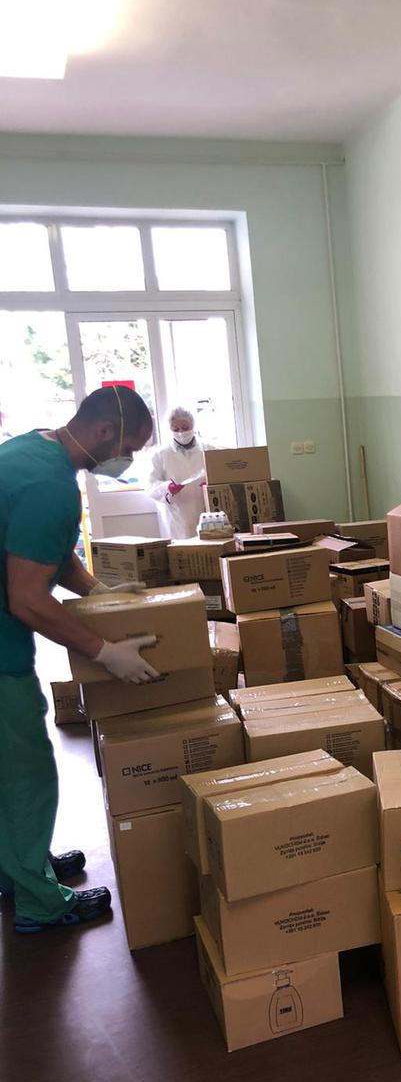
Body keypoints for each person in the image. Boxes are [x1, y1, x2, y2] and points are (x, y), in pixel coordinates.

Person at [0, 384, 159, 935]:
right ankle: (40, 902)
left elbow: (45, 548)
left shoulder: (33, 449)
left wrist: (95, 592)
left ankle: (18, 867)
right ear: (104, 432)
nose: (127, 460)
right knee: (25, 772)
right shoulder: (51, 486)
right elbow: (26, 597)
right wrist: (103, 651)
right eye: (129, 449)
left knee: (6, 768)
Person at [146, 407, 212, 539]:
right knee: (180, 547)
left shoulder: (209, 449)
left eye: (185, 428)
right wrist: (167, 488)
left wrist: (212, 482)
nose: (181, 433)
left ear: (193, 425)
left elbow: (225, 472)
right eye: (175, 429)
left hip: (206, 511)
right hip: (176, 514)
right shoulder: (160, 455)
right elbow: (151, 486)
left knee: (206, 547)